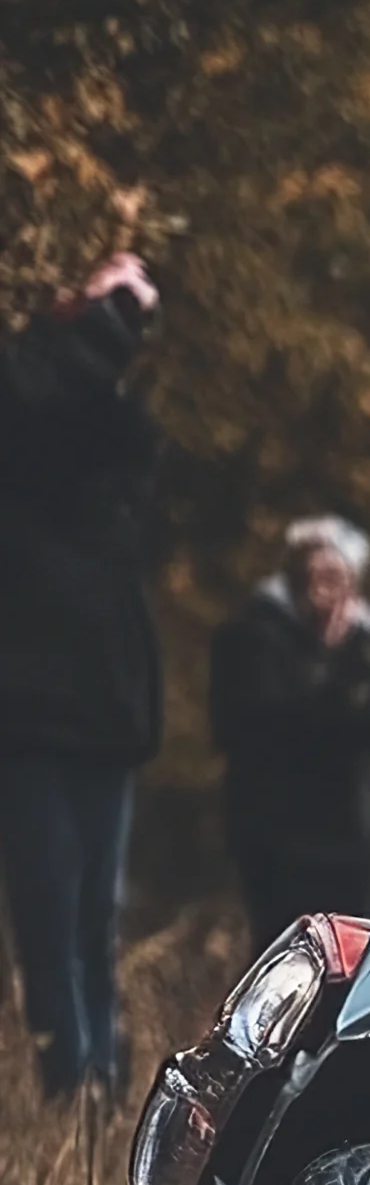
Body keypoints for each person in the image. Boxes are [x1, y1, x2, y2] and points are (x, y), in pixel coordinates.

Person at [0, 250, 163, 1098]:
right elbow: (34, 403)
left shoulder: (117, 438)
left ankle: (98, 1075)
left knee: (94, 914)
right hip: (33, 716)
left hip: (101, 710)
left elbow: (89, 418)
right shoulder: (29, 426)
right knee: (51, 911)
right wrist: (95, 309)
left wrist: (99, 311)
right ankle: (71, 1074)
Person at [209, 516, 370, 943]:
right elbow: (273, 726)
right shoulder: (252, 638)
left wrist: (349, 659)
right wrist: (333, 665)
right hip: (277, 835)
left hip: (350, 835)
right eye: (316, 576)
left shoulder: (368, 644)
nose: (325, 591)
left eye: (337, 577)